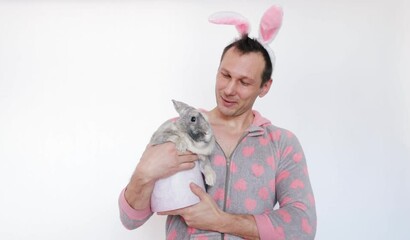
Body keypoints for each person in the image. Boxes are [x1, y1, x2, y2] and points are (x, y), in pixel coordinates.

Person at [119, 7, 317, 240]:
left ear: (264, 87)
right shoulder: (180, 129)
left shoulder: (282, 143)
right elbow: (130, 220)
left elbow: (302, 227)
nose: (229, 90)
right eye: (225, 75)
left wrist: (221, 220)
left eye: (244, 82)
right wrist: (144, 173)